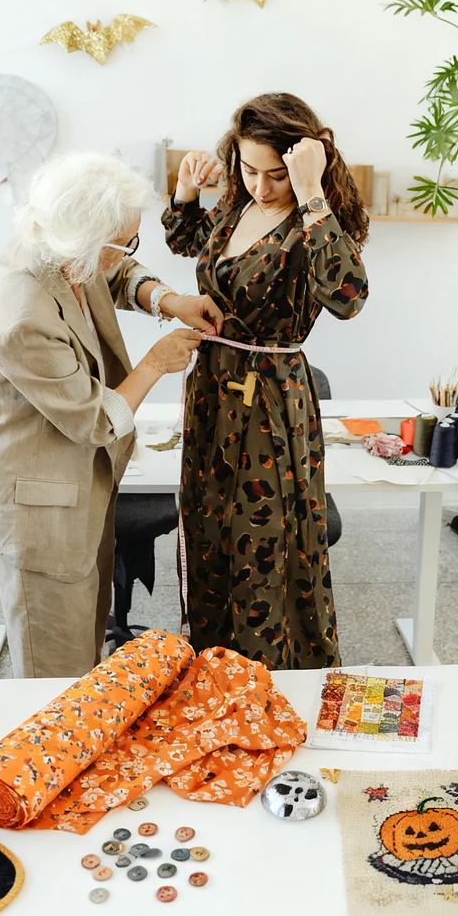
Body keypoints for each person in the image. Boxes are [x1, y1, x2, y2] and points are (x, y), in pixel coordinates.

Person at [0, 153, 223, 678]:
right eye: (125, 241)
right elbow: (95, 420)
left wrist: (168, 300)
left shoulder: (60, 250)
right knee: (55, 676)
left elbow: (118, 271)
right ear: (85, 242)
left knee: (87, 647)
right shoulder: (22, 317)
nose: (130, 251)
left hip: (80, 493)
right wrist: (155, 363)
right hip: (39, 513)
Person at [163, 92, 369, 670]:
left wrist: (311, 192)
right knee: (209, 526)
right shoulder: (236, 205)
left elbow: (349, 297)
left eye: (276, 175)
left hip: (270, 398)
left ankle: (268, 674)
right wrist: (186, 192)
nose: (261, 186)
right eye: (249, 170)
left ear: (304, 164)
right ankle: (214, 667)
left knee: (262, 537)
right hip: (213, 388)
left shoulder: (312, 221)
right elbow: (189, 244)